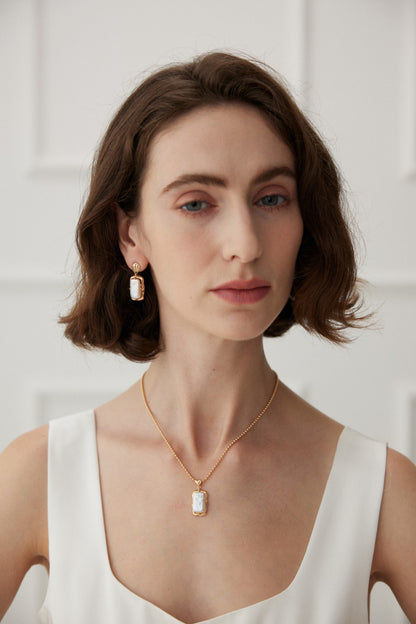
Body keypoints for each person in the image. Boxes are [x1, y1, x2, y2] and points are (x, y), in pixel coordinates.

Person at [0, 51, 415, 624]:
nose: (245, 244)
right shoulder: (40, 473)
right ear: (131, 237)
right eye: (196, 203)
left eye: (272, 198)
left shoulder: (381, 489)